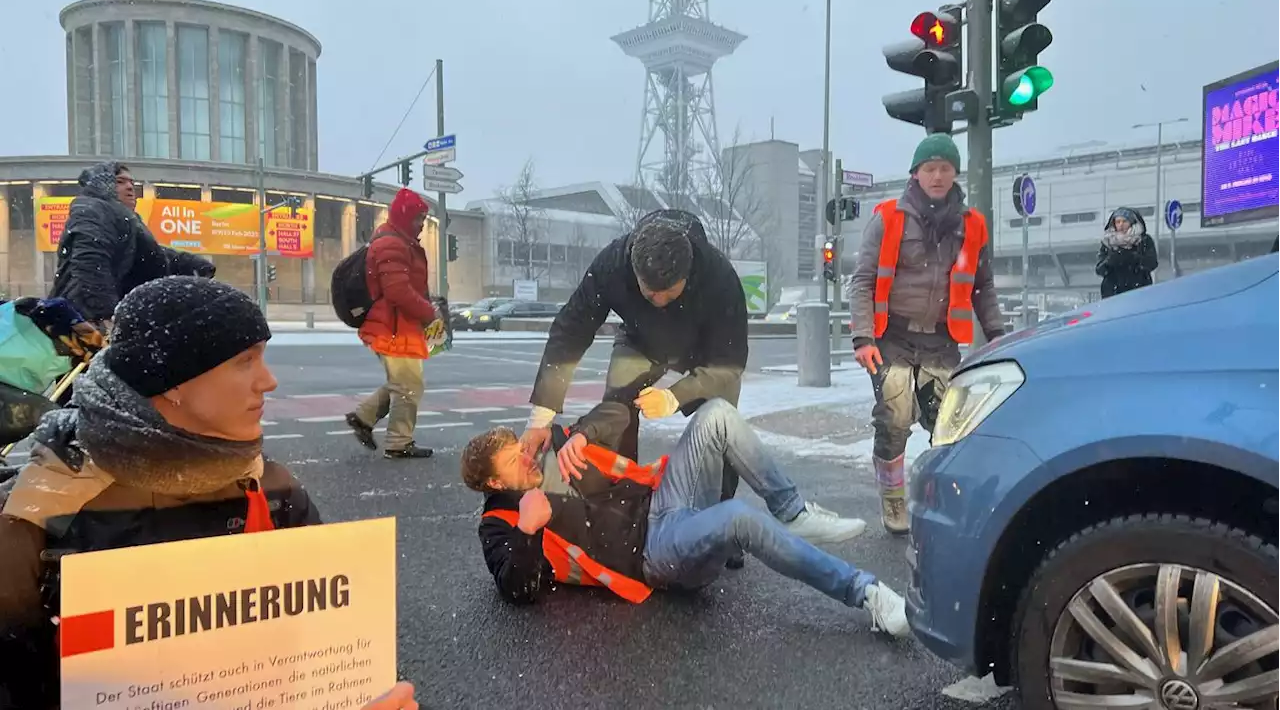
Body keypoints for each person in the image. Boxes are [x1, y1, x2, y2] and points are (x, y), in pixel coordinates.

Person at [0, 276, 322, 709]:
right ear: (171, 381)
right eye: (245, 361)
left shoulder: (271, 489)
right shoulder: (42, 514)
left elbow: (324, 643)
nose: (268, 381)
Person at [461, 397, 910, 636]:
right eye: (513, 461)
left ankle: (791, 511)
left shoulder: (552, 449)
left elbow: (617, 409)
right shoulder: (500, 520)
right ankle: (865, 593)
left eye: (519, 447)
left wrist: (579, 433)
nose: (526, 457)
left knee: (716, 413)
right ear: (495, 484)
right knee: (737, 517)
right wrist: (526, 529)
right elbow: (517, 588)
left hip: (662, 499)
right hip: (652, 551)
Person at [520, 209, 750, 560]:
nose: (658, 301)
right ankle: (625, 516)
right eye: (648, 293)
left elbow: (730, 363)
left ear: (688, 274)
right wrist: (541, 418)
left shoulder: (719, 276)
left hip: (706, 351)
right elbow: (570, 330)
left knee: (720, 423)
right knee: (616, 411)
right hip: (641, 342)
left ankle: (719, 524)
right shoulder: (613, 264)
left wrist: (675, 396)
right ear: (633, 268)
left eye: (668, 293)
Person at [846, 133, 1006, 535]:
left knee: (948, 422)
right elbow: (862, 280)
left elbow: (982, 287)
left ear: (955, 174)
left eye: (945, 168)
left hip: (941, 340)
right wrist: (863, 338)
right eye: (929, 168)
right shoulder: (888, 218)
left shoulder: (972, 226)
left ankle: (944, 495)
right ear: (915, 174)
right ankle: (893, 496)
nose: (937, 175)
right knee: (896, 418)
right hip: (892, 338)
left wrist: (999, 334)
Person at [49, 160, 213, 327]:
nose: (130, 187)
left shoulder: (122, 216)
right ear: (102, 185)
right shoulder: (92, 209)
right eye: (120, 182)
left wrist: (189, 264)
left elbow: (147, 254)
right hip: (85, 317)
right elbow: (90, 262)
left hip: (95, 314)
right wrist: (107, 314)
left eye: (131, 183)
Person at [344, 188, 438, 460]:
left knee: (403, 382)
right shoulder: (392, 244)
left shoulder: (398, 240)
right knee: (408, 386)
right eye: (418, 218)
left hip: (398, 326)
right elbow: (398, 291)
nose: (422, 224)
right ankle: (398, 443)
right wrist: (428, 311)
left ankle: (364, 417)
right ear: (405, 217)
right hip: (393, 328)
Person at [1096, 207, 1158, 299]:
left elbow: (1152, 263)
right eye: (1118, 222)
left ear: (1132, 222)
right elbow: (1099, 270)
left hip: (1139, 293)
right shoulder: (1107, 242)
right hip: (1112, 295)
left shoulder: (1144, 240)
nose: (1121, 225)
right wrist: (1111, 261)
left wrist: (1134, 258)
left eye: (1125, 221)